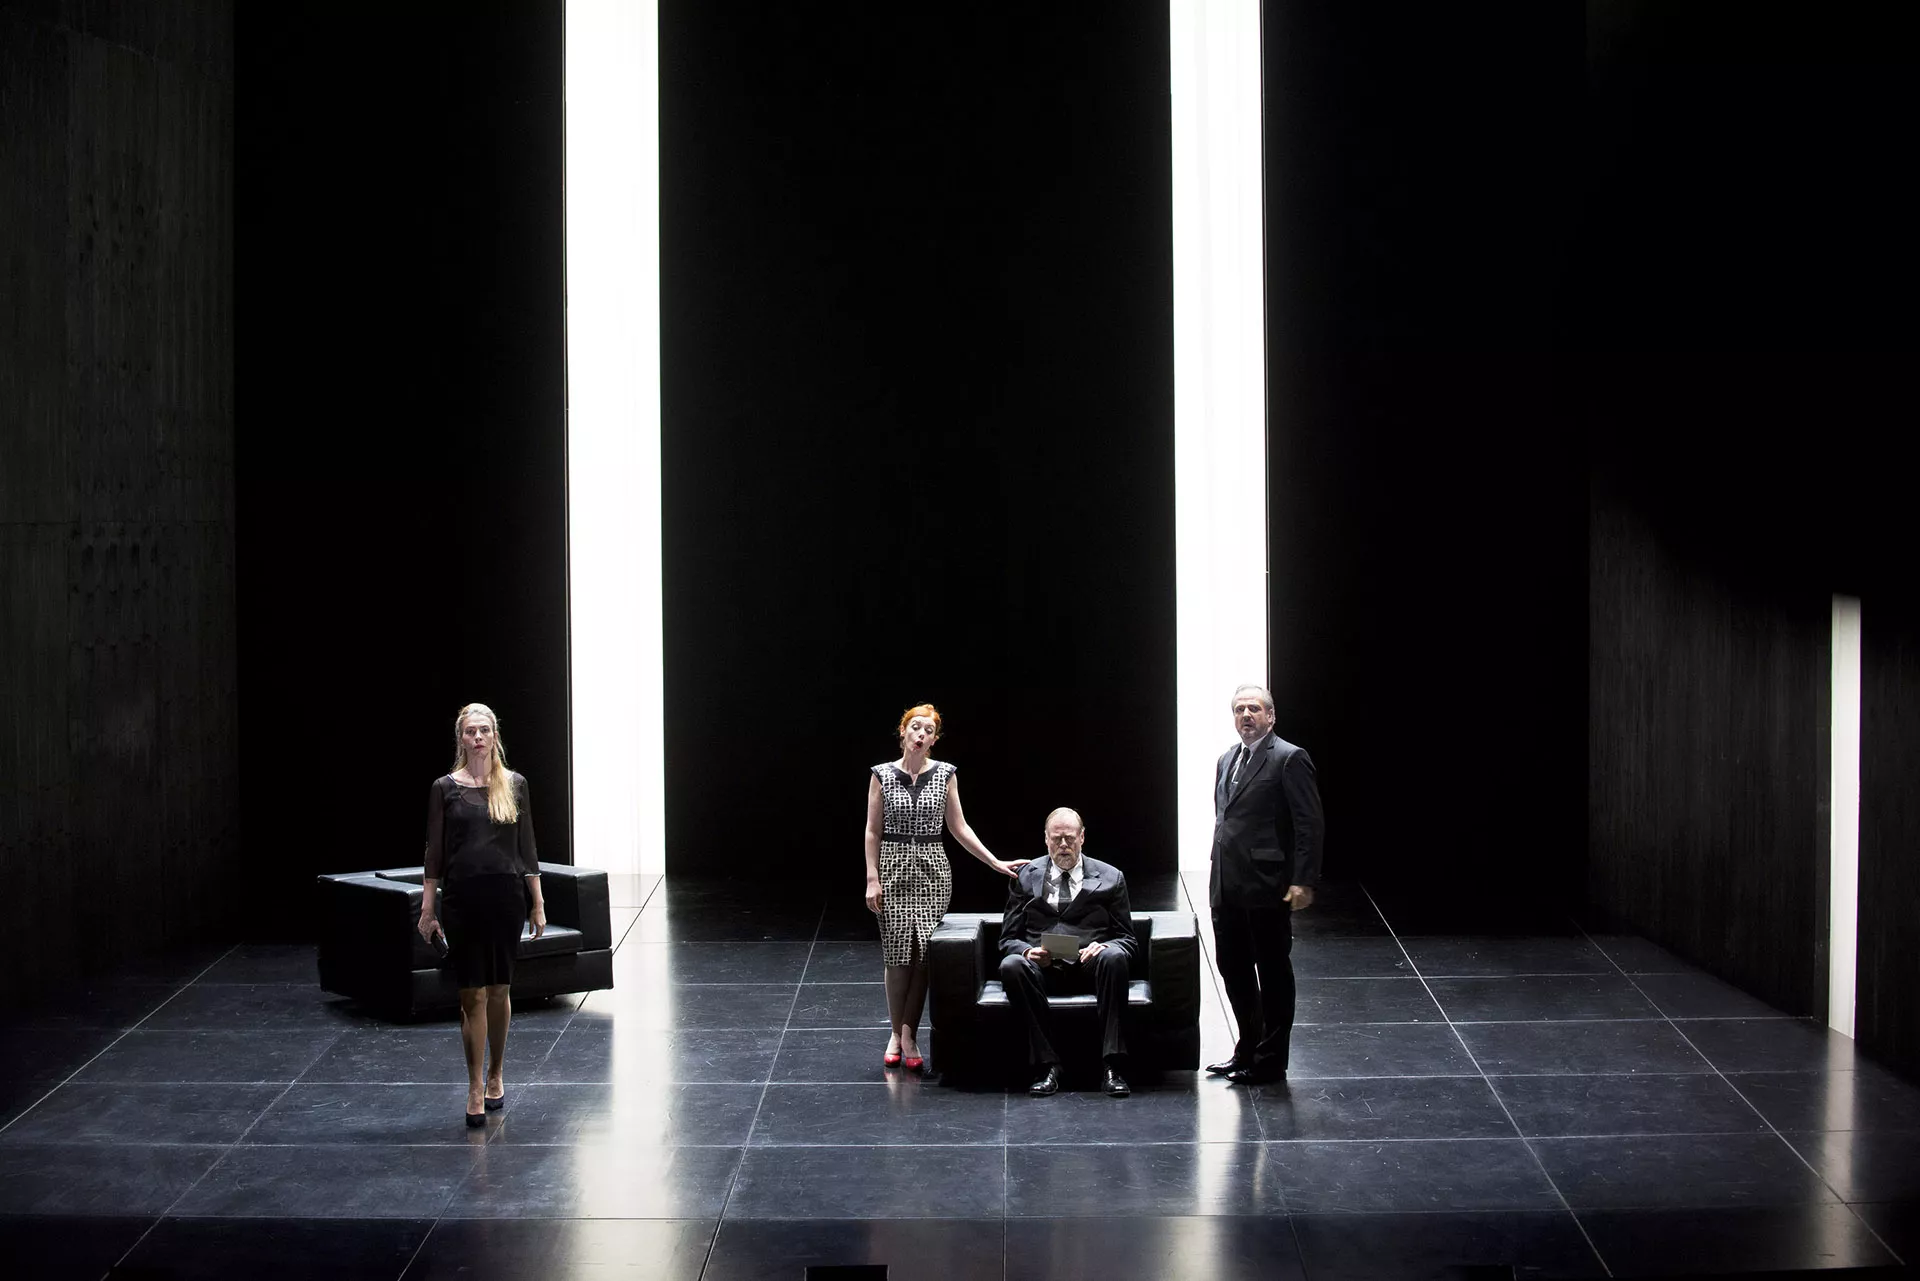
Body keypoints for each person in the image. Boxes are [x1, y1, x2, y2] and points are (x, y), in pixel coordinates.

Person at [864, 703, 1023, 1071]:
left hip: (933, 871)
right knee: (897, 953)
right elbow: (872, 830)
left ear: (934, 739)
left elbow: (959, 827)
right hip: (892, 868)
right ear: (903, 731)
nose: (921, 734)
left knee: (924, 954)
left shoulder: (945, 774)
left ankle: (909, 1033)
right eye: (915, 727)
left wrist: (994, 862)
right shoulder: (881, 775)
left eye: (929, 730)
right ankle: (894, 1032)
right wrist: (872, 877)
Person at [416, 703, 547, 1126]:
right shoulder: (444, 788)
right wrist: (427, 909)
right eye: (471, 731)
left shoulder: (514, 784)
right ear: (461, 738)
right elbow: (434, 854)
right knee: (471, 993)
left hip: (505, 899)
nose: (478, 737)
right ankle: (474, 1084)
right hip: (462, 900)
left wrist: (538, 902)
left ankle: (496, 1074)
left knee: (499, 990)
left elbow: (527, 849)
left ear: (494, 736)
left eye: (484, 730)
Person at [1208, 684, 1323, 1085]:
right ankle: (1247, 1049)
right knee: (1232, 968)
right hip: (1226, 885)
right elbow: (1225, 817)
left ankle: (1271, 1060)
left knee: (1272, 972)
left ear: (1270, 716)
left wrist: (1303, 880)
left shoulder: (1290, 758)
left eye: (1254, 709)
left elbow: (1309, 823)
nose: (1246, 715)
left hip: (1266, 885)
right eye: (1239, 709)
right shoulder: (1227, 759)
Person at [996, 808, 1139, 1098]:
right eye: (1057, 839)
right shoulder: (1024, 877)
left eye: (1070, 838)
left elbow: (1127, 939)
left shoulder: (1111, 877)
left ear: (1082, 837)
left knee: (1114, 957)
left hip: (1090, 965)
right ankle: (1048, 1066)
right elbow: (1008, 939)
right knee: (1012, 965)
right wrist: (1028, 952)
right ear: (1046, 839)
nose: (1063, 845)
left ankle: (1112, 1066)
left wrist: (1106, 946)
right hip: (1043, 967)